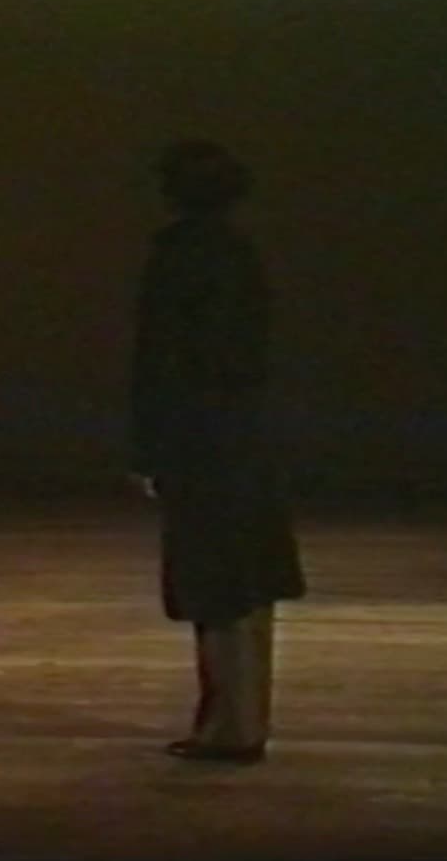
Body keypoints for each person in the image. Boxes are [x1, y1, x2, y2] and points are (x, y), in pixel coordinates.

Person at [129, 140, 306, 762]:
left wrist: (150, 446)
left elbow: (162, 361)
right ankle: (239, 719)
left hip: (201, 438)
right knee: (243, 580)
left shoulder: (181, 258)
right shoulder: (240, 254)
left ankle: (232, 725)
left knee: (219, 580)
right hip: (242, 433)